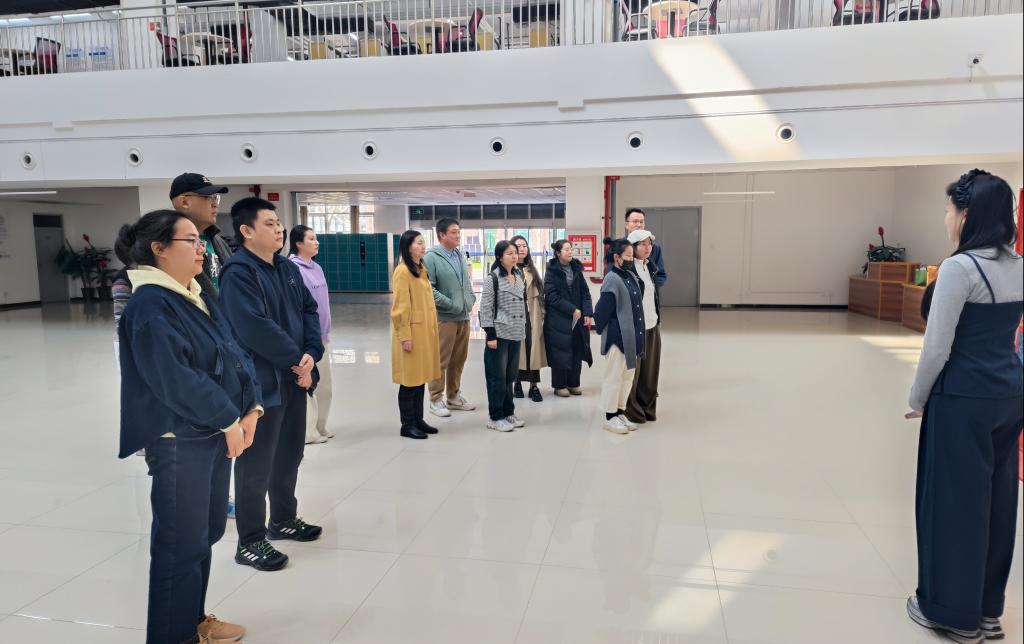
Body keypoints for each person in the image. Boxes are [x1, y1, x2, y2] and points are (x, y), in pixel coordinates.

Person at [116, 210, 260, 644]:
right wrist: (228, 418)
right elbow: (175, 378)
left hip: (211, 432)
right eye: (191, 240)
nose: (201, 249)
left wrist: (251, 407)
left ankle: (193, 621)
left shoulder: (195, 292)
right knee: (179, 546)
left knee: (205, 533)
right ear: (159, 249)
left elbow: (234, 349)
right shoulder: (149, 304)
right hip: (179, 440)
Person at [904, 169, 1023, 644]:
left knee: (953, 503)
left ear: (968, 215)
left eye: (950, 209)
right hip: (1009, 395)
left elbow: (937, 347)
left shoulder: (959, 269)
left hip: (962, 398)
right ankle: (988, 610)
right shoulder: (1019, 265)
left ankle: (954, 615)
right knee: (998, 502)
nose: (946, 217)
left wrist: (918, 398)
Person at [219, 198, 325, 572]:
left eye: (279, 223)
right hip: (261, 384)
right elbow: (254, 327)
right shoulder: (238, 273)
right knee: (256, 464)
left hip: (294, 378)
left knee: (290, 454)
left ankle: (283, 518)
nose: (279, 229)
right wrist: (298, 361)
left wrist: (312, 353)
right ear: (246, 231)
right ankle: (250, 540)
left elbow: (309, 311)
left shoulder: (286, 268)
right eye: (269, 223)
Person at [422, 218, 477, 417]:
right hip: (445, 318)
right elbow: (429, 289)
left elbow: (466, 282)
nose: (458, 235)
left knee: (458, 359)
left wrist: (470, 299)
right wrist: (450, 304)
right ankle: (436, 399)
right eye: (453, 232)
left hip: (463, 316)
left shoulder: (459, 254)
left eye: (458, 231)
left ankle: (453, 396)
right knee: (440, 360)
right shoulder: (431, 258)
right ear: (441, 235)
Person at [390, 230, 442, 440]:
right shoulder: (402, 271)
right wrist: (405, 336)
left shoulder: (420, 268)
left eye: (423, 242)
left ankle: (418, 420)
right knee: (409, 381)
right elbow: (400, 308)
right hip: (411, 333)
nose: (423, 246)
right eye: (419, 243)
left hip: (424, 332)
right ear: (408, 247)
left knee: (420, 378)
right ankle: (407, 424)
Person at [593, 237, 646, 435]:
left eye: (632, 256)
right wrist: (606, 330)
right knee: (614, 377)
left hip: (631, 336)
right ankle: (609, 417)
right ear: (617, 257)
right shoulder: (612, 278)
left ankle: (620, 412)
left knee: (626, 377)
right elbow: (602, 311)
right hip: (617, 337)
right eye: (628, 256)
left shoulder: (629, 275)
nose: (631, 259)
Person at [289, 225, 334, 445]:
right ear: (298, 243)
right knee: (310, 385)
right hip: (307, 340)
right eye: (311, 239)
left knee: (325, 386)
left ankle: (321, 425)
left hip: (322, 337)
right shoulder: (292, 269)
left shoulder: (317, 268)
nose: (317, 242)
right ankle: (308, 432)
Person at [479, 240, 528, 432]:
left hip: (516, 333)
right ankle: (495, 416)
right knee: (496, 377)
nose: (514, 256)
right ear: (500, 257)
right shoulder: (492, 278)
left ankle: (508, 412)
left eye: (515, 253)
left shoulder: (518, 274)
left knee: (510, 377)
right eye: (509, 253)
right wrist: (490, 335)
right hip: (499, 334)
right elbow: (486, 308)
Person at [169, 173, 232, 297]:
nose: (215, 204)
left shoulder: (219, 241)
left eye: (216, 197)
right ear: (184, 202)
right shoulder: (171, 244)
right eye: (208, 197)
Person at [544, 239, 594, 397]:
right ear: (558, 253)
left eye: (571, 249)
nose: (570, 251)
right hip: (558, 319)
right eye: (566, 249)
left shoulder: (576, 269)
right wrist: (571, 309)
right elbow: (551, 296)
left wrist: (588, 313)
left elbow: (585, 293)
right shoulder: (551, 271)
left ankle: (573, 383)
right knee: (560, 351)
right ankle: (559, 386)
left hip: (577, 318)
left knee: (576, 350)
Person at [624, 229, 662, 424]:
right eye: (643, 244)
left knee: (650, 373)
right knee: (633, 372)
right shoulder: (627, 270)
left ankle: (647, 407)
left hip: (652, 325)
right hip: (635, 329)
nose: (648, 248)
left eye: (650, 244)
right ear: (632, 247)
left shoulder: (650, 267)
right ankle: (632, 410)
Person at [510, 235, 547, 402]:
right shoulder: (508, 270)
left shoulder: (532, 269)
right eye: (518, 246)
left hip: (533, 314)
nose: (522, 249)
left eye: (524, 245)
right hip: (516, 314)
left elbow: (541, 294)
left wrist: (543, 314)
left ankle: (534, 386)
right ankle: (516, 383)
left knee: (533, 349)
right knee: (518, 349)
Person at [605, 208, 667, 287]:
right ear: (626, 225)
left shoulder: (654, 248)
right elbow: (611, 273)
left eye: (641, 222)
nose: (639, 225)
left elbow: (661, 274)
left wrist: (650, 287)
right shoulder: (617, 246)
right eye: (635, 221)